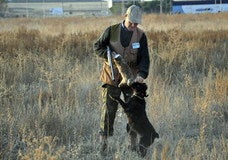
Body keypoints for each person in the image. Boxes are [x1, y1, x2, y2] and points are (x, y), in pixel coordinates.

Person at [93, 5, 150, 152]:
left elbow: (145, 58)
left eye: (136, 23)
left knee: (135, 113)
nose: (133, 25)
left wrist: (141, 75)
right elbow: (97, 47)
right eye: (131, 22)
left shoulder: (141, 36)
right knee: (108, 111)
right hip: (111, 77)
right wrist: (109, 56)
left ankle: (133, 145)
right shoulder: (111, 31)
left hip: (131, 80)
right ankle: (103, 146)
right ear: (125, 16)